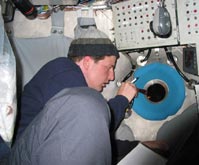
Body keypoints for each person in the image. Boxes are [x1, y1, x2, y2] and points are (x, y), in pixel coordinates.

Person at [11, 26, 168, 164]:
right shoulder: (63, 70)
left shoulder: (69, 87)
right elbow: (94, 123)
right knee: (89, 103)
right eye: (109, 67)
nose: (112, 76)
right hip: (20, 157)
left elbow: (92, 143)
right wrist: (122, 99)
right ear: (87, 62)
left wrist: (140, 146)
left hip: (35, 153)